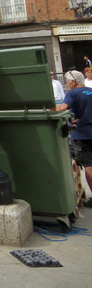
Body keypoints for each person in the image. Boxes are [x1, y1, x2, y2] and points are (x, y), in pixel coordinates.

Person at [57, 70, 92, 206]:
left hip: (82, 134)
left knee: (89, 166)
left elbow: (62, 108)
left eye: (67, 81)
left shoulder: (72, 93)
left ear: (73, 81)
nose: (66, 84)